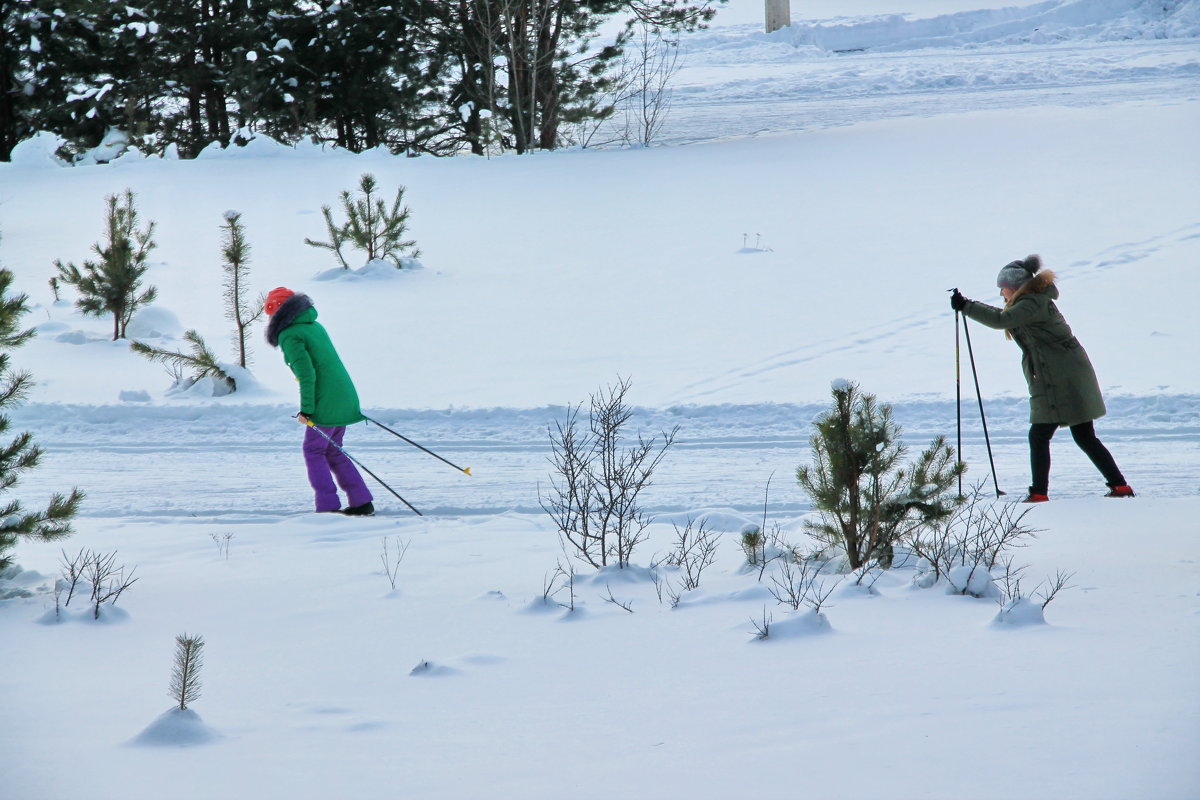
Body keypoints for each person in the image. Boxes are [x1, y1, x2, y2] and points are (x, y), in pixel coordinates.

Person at [950, 255, 1133, 503]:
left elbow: (1001, 320)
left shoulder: (1031, 303)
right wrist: (968, 305)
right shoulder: (1029, 301)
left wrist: (967, 306)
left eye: (1002, 288)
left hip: (1061, 377)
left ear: (1013, 287)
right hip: (1062, 374)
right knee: (1083, 436)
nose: (1001, 293)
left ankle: (1039, 493)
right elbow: (1006, 316)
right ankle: (1119, 486)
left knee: (1041, 435)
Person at [265, 287, 374, 515]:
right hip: (343, 396)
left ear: (277, 312)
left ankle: (327, 507)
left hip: (325, 401)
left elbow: (307, 375)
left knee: (314, 451)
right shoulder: (313, 326)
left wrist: (307, 410)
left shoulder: (290, 335)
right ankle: (361, 501)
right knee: (334, 451)